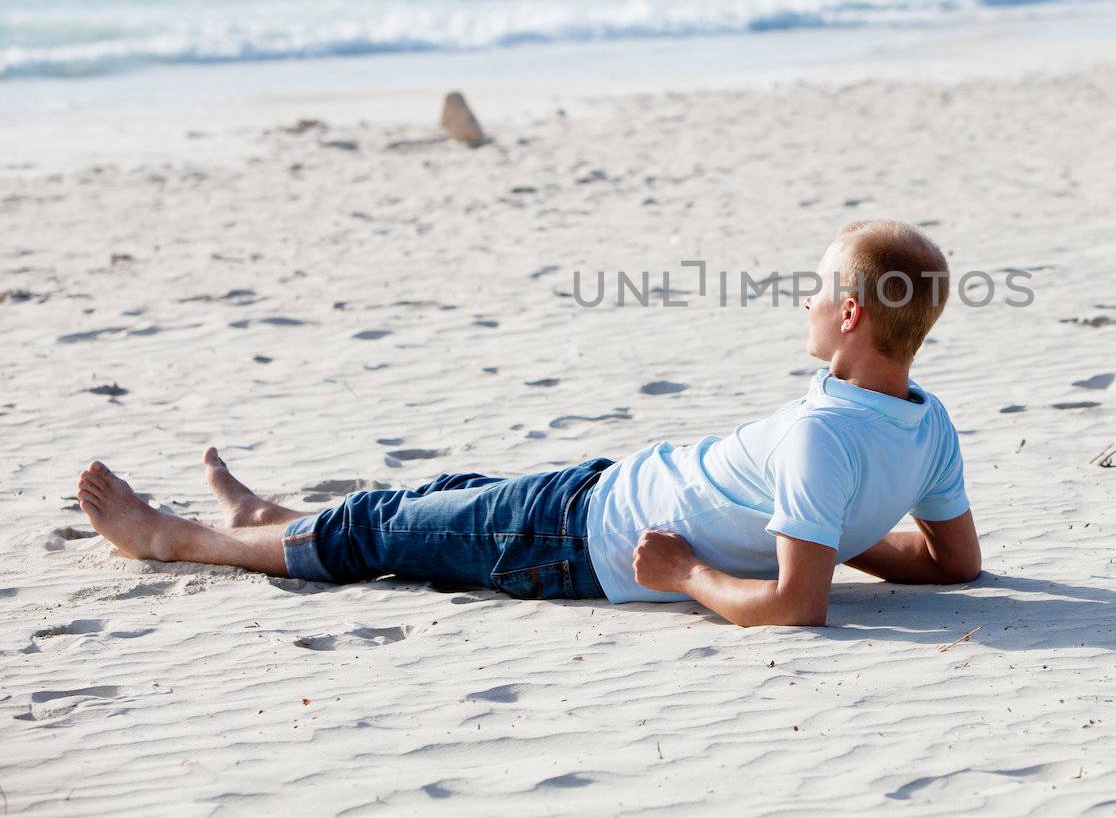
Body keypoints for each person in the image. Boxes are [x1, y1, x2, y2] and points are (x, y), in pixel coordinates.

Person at [74, 219, 982, 627]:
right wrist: (826, 526)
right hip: (595, 492)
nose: (808, 297)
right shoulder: (925, 422)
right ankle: (266, 520)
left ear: (853, 316)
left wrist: (689, 569)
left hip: (581, 539)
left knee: (383, 530)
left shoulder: (824, 437)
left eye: (822, 285)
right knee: (435, 499)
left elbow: (795, 605)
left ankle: (177, 537)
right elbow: (954, 562)